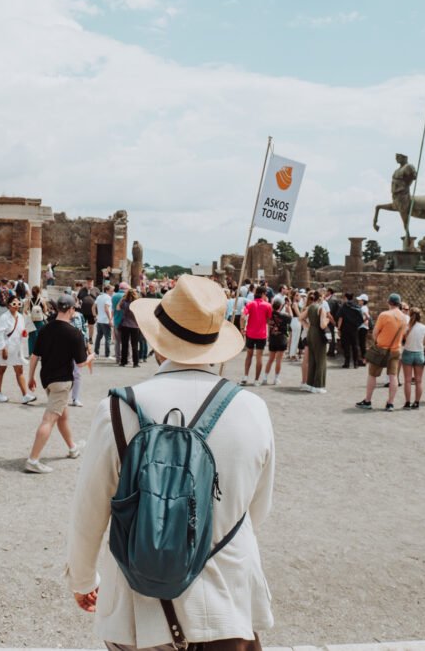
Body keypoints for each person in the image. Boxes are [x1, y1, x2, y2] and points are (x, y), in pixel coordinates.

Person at [65, 274, 274, 648]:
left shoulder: (118, 409)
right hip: (227, 600)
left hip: (141, 605)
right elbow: (255, 511)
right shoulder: (253, 410)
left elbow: (89, 511)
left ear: (157, 340)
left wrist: (83, 580)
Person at [24, 295, 88, 474]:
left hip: (48, 378)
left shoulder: (45, 328)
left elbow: (35, 355)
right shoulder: (74, 333)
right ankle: (33, 459)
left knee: (62, 415)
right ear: (70, 310)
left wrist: (30, 377)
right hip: (62, 380)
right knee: (49, 419)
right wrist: (91, 356)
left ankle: (72, 447)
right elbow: (81, 363)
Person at [357, 293, 407, 411]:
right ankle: (390, 403)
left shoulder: (384, 315)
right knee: (393, 376)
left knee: (372, 375)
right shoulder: (404, 317)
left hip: (381, 348)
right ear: (399, 304)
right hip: (395, 349)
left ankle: (368, 400)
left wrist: (378, 341)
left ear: (389, 302)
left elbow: (375, 333)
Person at [0, 293, 35, 404]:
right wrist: (3, 348)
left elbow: (21, 331)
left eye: (18, 303)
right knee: (2, 369)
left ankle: (25, 395)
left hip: (16, 348)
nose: (16, 306)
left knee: (19, 370)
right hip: (6, 347)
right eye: (14, 303)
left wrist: (24, 334)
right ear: (8, 305)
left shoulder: (21, 317)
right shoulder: (4, 317)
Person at [240, 287, 272, 386]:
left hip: (250, 333)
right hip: (261, 334)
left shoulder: (250, 304)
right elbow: (268, 321)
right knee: (259, 358)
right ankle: (256, 380)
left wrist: (242, 329)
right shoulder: (268, 305)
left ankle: (245, 376)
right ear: (263, 294)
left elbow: (242, 316)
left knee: (249, 355)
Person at [400, 307, 425, 409]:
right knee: (419, 381)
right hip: (419, 353)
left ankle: (407, 403)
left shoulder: (407, 327)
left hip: (407, 352)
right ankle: (416, 403)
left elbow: (403, 340)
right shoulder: (424, 327)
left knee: (407, 380)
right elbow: (423, 342)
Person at [261, 295, 291, 386]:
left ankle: (265, 378)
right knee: (278, 360)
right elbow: (291, 318)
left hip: (273, 338)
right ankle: (276, 379)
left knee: (270, 359)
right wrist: (288, 307)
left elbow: (267, 321)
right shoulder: (284, 315)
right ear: (280, 306)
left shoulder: (269, 315)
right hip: (281, 338)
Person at [303, 290, 329, 393]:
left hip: (311, 332)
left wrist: (308, 326)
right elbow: (323, 325)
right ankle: (318, 386)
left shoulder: (310, 307)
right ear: (320, 298)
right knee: (321, 360)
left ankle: (310, 384)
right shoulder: (321, 309)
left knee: (312, 359)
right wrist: (327, 321)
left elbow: (301, 318)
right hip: (318, 334)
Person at [337, 293, 364, 368]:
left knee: (346, 346)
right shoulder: (356, 306)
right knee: (355, 346)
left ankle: (347, 363)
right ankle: (355, 363)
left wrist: (339, 329)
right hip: (354, 329)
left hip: (345, 329)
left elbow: (340, 318)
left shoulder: (344, 307)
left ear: (346, 297)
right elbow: (361, 318)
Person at [117, 288, 142, 368]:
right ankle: (136, 363)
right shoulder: (137, 304)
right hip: (135, 326)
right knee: (134, 345)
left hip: (125, 325)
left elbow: (117, 308)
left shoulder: (124, 303)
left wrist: (122, 298)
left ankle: (123, 362)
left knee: (124, 344)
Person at [26, 286, 47, 356]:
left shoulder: (29, 300)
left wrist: (30, 314)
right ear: (39, 292)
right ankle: (39, 354)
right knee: (40, 337)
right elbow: (45, 310)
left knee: (31, 337)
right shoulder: (42, 300)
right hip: (40, 321)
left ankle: (31, 353)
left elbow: (25, 310)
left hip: (32, 321)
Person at [94, 285, 114, 359]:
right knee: (107, 338)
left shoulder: (99, 297)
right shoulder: (108, 298)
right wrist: (110, 319)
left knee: (98, 337)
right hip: (105, 321)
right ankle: (107, 354)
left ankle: (96, 353)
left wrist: (95, 316)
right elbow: (106, 308)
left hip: (99, 320)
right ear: (107, 290)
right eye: (111, 290)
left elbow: (93, 307)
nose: (113, 291)